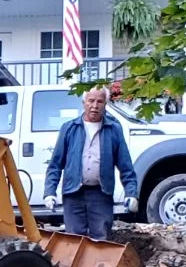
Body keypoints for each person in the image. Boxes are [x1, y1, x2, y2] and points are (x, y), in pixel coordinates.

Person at [46, 86, 137, 241]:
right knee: (74, 240)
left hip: (101, 194)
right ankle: (75, 266)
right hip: (73, 193)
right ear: (84, 103)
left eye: (100, 101)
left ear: (105, 104)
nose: (95, 106)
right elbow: (55, 164)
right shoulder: (69, 129)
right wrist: (49, 192)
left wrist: (131, 193)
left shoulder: (113, 130)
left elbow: (125, 166)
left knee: (101, 240)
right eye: (91, 101)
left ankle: (98, 265)